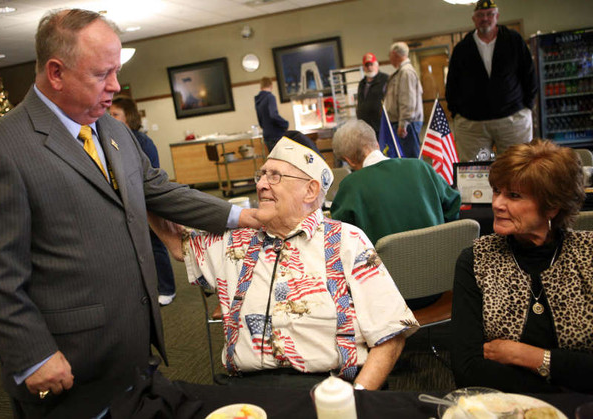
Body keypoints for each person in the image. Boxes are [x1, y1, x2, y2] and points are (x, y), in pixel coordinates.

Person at [0, 9, 258, 418]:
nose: (115, 86)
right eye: (102, 74)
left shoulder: (111, 129)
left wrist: (242, 216)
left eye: (116, 71)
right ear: (56, 73)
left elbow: (158, 188)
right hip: (67, 361)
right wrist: (32, 355)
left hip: (131, 347)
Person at [157, 137, 418, 390]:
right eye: (260, 175)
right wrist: (136, 183)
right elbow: (179, 243)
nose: (261, 184)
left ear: (310, 190)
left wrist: (354, 400)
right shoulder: (236, 241)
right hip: (248, 388)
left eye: (274, 176)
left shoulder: (347, 241)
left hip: (330, 386)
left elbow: (390, 335)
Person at [451, 139, 593, 393]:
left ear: (551, 206)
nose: (497, 204)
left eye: (513, 196)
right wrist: (564, 382)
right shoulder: (476, 259)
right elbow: (467, 369)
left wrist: (528, 356)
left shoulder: (587, 255)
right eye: (496, 191)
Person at [330, 120, 461, 309]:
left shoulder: (351, 186)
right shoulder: (421, 167)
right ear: (376, 143)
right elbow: (454, 205)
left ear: (349, 160)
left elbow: (338, 241)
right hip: (439, 285)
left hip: (386, 297)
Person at [445, 0, 538, 162]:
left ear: (497, 16)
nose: (485, 18)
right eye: (480, 15)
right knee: (475, 175)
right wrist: (457, 113)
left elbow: (529, 75)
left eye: (490, 14)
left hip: (512, 120)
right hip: (473, 125)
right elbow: (453, 84)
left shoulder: (513, 41)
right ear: (474, 19)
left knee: (517, 168)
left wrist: (527, 108)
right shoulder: (462, 48)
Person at [109, 96, 176, 306]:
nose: (110, 119)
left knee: (156, 245)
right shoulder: (111, 139)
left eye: (115, 115)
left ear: (128, 116)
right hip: (124, 204)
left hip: (145, 204)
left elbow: (152, 177)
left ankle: (167, 288)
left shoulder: (143, 142)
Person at [384, 42, 423, 158]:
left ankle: (418, 176)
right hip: (403, 122)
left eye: (389, 55)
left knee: (412, 158)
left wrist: (403, 123)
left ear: (394, 54)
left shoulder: (406, 72)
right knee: (407, 157)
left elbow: (408, 100)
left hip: (407, 124)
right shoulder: (402, 72)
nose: (390, 59)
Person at [356, 52, 389, 140]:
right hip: (365, 126)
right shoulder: (362, 83)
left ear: (376, 65)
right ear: (363, 67)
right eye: (367, 65)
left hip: (381, 125)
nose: (369, 67)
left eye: (371, 64)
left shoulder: (385, 79)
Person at [255, 77, 289, 152]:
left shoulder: (258, 100)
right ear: (271, 85)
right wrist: (285, 124)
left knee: (275, 160)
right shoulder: (270, 97)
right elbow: (273, 114)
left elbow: (260, 120)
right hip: (276, 135)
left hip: (267, 135)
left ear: (261, 86)